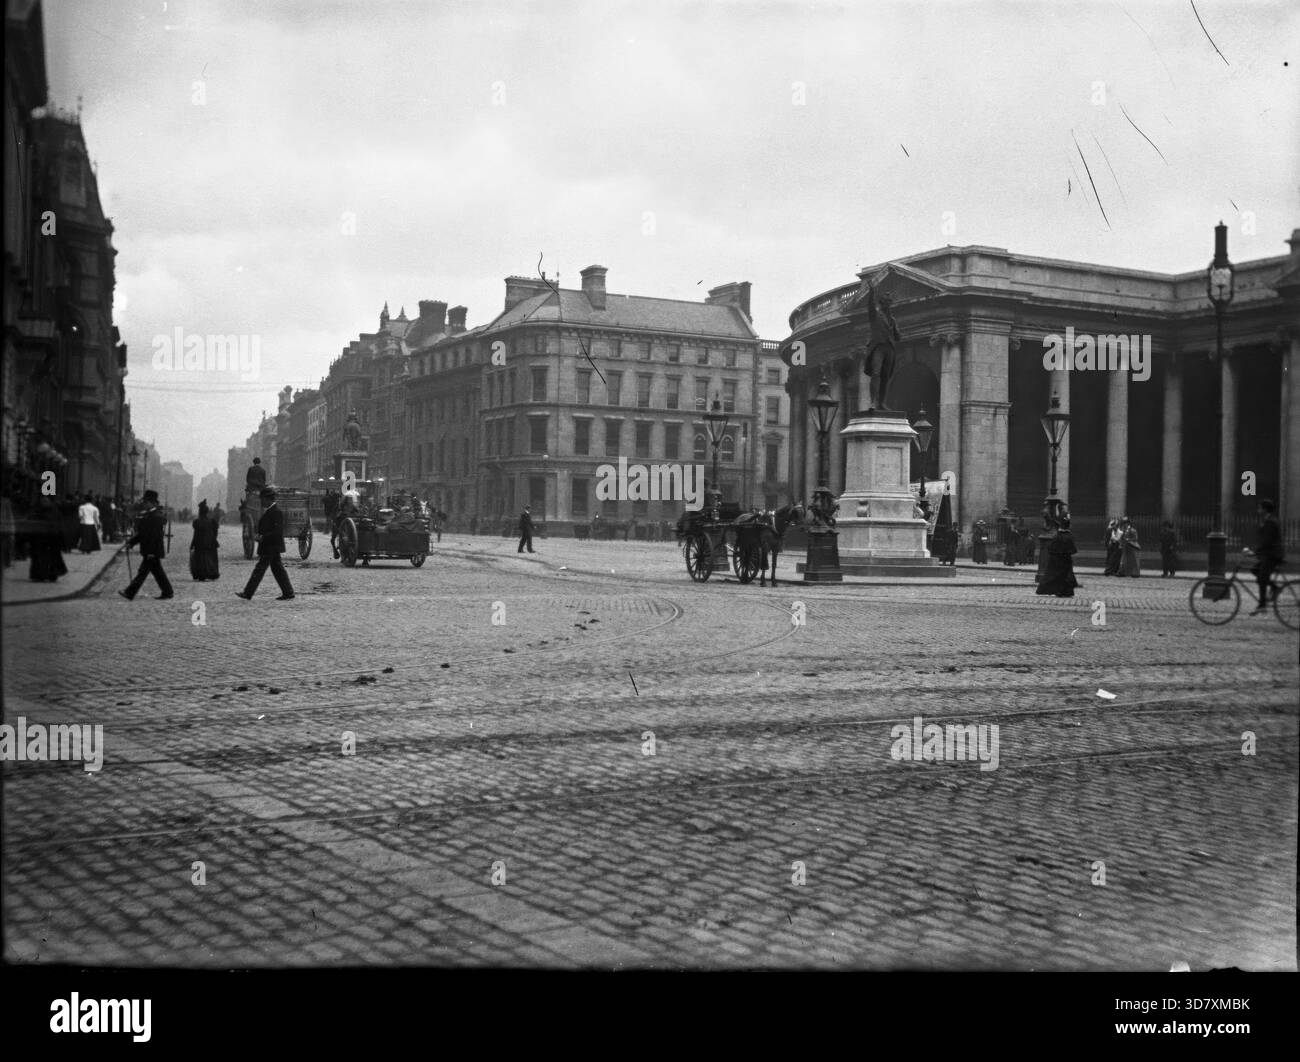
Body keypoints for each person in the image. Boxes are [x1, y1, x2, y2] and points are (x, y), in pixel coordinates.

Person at [236, 486, 294, 600]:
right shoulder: (270, 511)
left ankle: (248, 593)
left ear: (268, 499)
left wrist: (263, 537)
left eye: (262, 499)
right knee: (277, 569)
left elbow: (277, 532)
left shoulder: (276, 512)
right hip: (271, 546)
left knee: (260, 569)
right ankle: (288, 592)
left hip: (270, 546)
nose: (261, 501)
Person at [120, 489, 173, 600]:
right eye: (145, 502)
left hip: (152, 550)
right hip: (150, 550)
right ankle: (168, 592)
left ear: (153, 503)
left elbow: (155, 537)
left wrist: (151, 553)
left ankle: (130, 593)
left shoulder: (156, 516)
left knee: (142, 572)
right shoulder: (150, 515)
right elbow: (143, 534)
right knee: (158, 572)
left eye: (147, 502)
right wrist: (131, 543)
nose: (144, 504)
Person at [1247, 498, 1285, 615]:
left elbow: (1267, 541)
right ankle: (1274, 588)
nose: (1258, 510)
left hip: (1273, 555)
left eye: (1259, 508)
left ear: (1265, 509)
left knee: (1262, 578)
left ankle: (1262, 605)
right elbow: (1264, 540)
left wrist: (1254, 552)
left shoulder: (1271, 522)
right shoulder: (1268, 520)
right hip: (1268, 554)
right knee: (1255, 570)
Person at [1036, 516, 1080, 597]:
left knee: (1053, 575)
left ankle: (1056, 590)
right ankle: (1065, 591)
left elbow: (1051, 548)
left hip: (1056, 560)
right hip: (1066, 560)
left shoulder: (1057, 536)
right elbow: (1073, 550)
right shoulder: (1069, 536)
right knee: (1066, 576)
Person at [29, 495, 68, 582]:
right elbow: (31, 524)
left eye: (46, 501)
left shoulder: (55, 512)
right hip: (39, 540)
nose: (44, 503)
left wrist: (62, 541)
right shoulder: (36, 511)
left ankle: (51, 575)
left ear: (50, 502)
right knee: (39, 559)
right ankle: (39, 575)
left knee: (52, 559)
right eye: (43, 501)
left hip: (52, 540)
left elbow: (60, 526)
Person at [189, 499, 220, 581]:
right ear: (207, 512)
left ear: (200, 512)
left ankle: (201, 574)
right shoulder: (212, 521)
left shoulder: (197, 522)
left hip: (200, 543)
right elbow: (215, 532)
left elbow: (195, 534)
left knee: (200, 559)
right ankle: (212, 573)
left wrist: (192, 544)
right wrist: (213, 539)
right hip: (211, 542)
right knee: (211, 558)